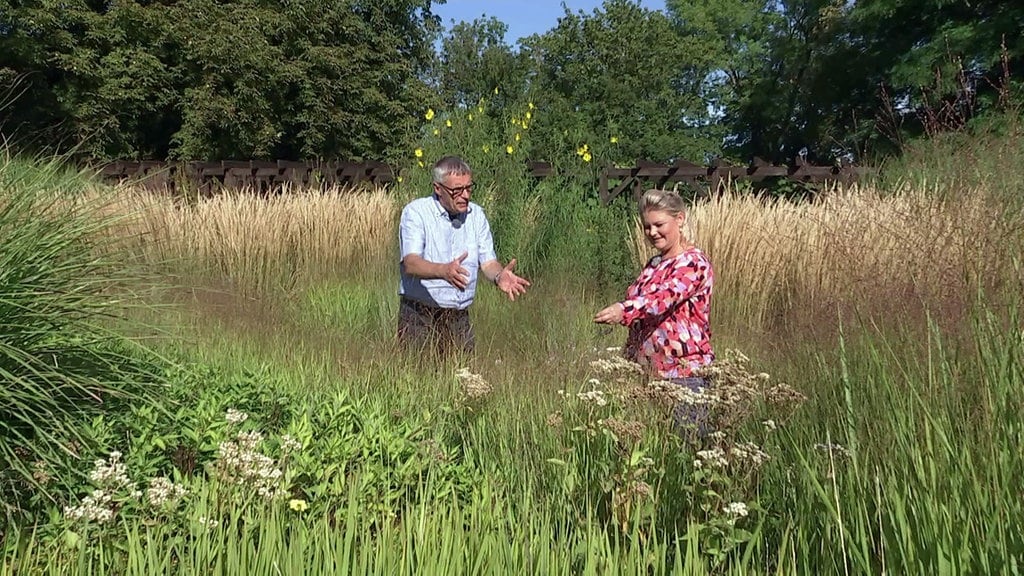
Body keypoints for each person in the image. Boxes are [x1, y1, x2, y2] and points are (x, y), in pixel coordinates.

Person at [594, 188, 714, 432]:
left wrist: (622, 309)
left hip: (684, 375)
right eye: (647, 227)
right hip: (650, 375)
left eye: (659, 224)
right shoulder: (654, 264)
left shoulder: (693, 262)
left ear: (679, 219)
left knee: (687, 453)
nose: (652, 232)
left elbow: (662, 298)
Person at [397, 155, 531, 356]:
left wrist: (498, 276)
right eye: (457, 190)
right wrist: (443, 271)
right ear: (438, 189)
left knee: (462, 377)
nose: (465, 195)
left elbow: (488, 262)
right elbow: (410, 263)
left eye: (469, 188)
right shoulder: (416, 213)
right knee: (418, 380)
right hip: (419, 315)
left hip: (458, 317)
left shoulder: (476, 215)